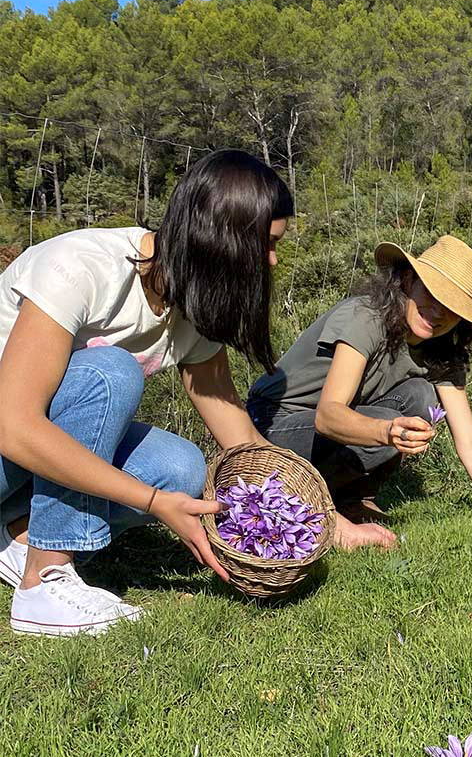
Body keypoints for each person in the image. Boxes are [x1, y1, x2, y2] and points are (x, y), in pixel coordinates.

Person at [0, 149, 294, 636]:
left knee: (180, 468)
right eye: (265, 244)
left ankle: (18, 536)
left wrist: (310, 513)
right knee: (109, 374)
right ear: (221, 240)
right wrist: (153, 503)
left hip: (19, 466)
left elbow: (234, 429)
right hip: (9, 439)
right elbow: (13, 425)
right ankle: (43, 582)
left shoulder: (190, 305)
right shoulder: (80, 268)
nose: (272, 260)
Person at [247, 234, 472, 550]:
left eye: (452, 307)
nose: (437, 312)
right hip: (267, 425)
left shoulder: (441, 350)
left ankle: (345, 499)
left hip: (329, 429)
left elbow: (470, 440)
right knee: (390, 417)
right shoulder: (365, 317)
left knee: (421, 396)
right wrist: (387, 430)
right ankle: (314, 498)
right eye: (431, 294)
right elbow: (328, 416)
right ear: (408, 281)